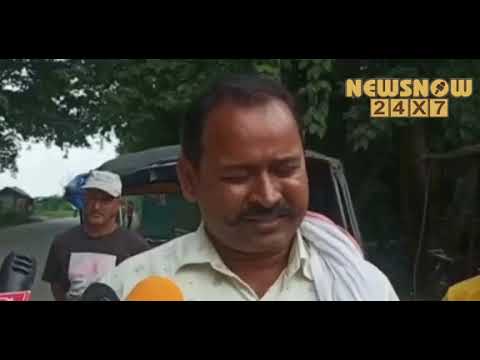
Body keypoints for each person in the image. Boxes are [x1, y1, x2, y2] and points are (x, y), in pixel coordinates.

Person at [100, 74, 398, 301]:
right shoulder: (126, 288)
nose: (267, 197)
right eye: (238, 176)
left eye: (285, 169)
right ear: (190, 180)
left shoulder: (365, 287)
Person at [42, 170, 150, 301]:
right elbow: (56, 285)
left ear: (119, 204)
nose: (96, 206)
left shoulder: (136, 247)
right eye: (91, 198)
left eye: (105, 200)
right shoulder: (62, 242)